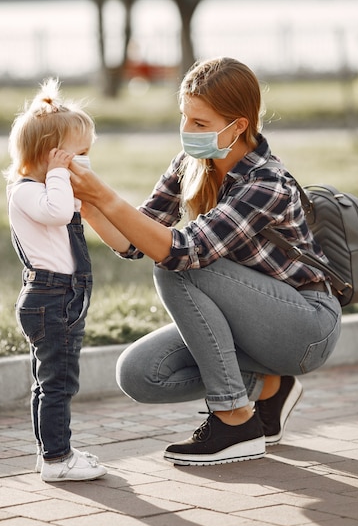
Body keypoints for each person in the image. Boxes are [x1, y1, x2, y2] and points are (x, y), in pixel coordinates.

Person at [70, 57, 342, 467]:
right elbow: (135, 241)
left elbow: (179, 252)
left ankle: (235, 420)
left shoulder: (267, 182)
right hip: (250, 321)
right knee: (140, 372)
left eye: (200, 123)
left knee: (178, 267)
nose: (187, 132)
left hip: (306, 326)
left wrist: (106, 195)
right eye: (185, 118)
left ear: (239, 126)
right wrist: (88, 206)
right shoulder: (190, 164)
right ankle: (270, 389)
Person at [5, 78, 107, 482]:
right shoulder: (26, 192)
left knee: (51, 381)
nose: (84, 161)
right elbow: (60, 213)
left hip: (60, 296)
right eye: (78, 155)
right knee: (58, 384)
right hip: (50, 297)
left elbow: (70, 211)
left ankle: (50, 450)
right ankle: (57, 460)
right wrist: (62, 176)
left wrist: (66, 178)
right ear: (52, 156)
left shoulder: (48, 187)